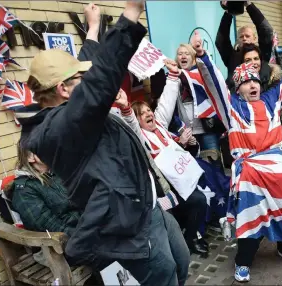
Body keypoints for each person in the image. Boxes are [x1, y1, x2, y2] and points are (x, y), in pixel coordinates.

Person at [22, 2, 190, 285]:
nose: (87, 82)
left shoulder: (69, 113)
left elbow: (88, 71)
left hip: (149, 206)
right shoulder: (63, 128)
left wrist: (93, 29)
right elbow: (100, 79)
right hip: (134, 227)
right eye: (81, 80)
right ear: (64, 89)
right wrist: (131, 13)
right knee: (164, 276)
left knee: (181, 262)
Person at [194, 29, 282, 282]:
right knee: (249, 218)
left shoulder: (273, 99)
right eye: (245, 82)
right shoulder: (231, 107)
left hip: (278, 172)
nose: (252, 85)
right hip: (249, 175)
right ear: (238, 88)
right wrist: (204, 57)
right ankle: (244, 261)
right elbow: (216, 85)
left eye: (255, 81)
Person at [115, 60, 210, 255]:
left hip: (181, 181)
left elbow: (166, 101)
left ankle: (190, 237)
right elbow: (131, 123)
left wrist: (173, 76)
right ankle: (178, 244)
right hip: (162, 189)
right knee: (171, 213)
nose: (149, 114)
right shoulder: (140, 137)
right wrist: (126, 109)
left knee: (200, 200)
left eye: (149, 110)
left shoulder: (160, 126)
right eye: (142, 114)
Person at [238, 43, 282, 168]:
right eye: (248, 60)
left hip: (276, 141)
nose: (253, 62)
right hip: (252, 146)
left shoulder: (273, 78)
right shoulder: (236, 85)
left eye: (256, 58)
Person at [5, 141, 80, 236]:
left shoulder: (58, 172)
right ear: (30, 157)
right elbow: (49, 225)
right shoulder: (24, 190)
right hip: (70, 239)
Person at [173, 43, 225, 170]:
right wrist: (181, 130)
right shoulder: (172, 79)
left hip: (207, 130)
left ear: (193, 58)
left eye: (187, 53)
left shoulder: (201, 75)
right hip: (187, 132)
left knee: (214, 164)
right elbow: (172, 110)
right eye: (180, 54)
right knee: (195, 168)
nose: (183, 56)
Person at [216, 1, 274, 91]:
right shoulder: (231, 56)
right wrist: (229, 10)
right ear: (237, 39)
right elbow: (221, 41)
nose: (244, 38)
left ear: (255, 38)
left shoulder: (262, 53)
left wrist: (248, 4)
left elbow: (266, 30)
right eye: (241, 36)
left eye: (247, 36)